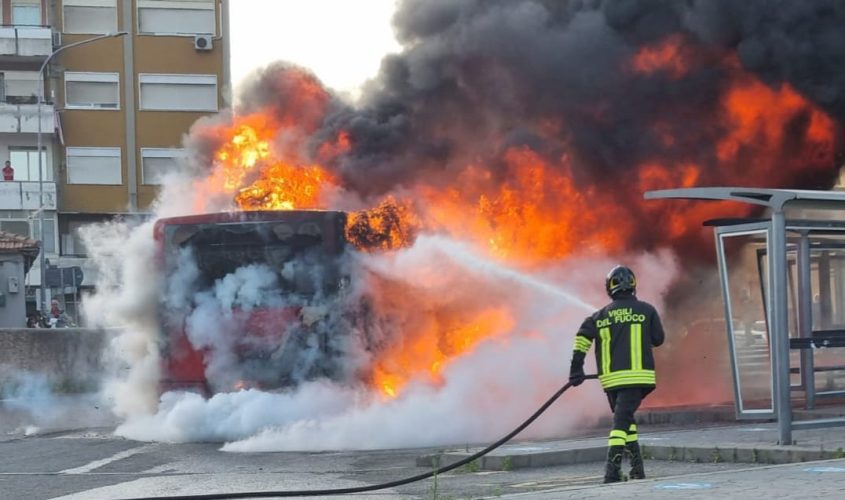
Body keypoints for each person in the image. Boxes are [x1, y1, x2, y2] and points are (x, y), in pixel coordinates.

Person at [569, 265, 665, 483]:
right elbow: (659, 339)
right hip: (640, 379)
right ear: (632, 285)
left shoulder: (598, 317)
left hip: (612, 381)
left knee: (622, 420)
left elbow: (581, 339)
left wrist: (576, 369)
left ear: (610, 288)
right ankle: (625, 470)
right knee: (624, 421)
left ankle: (624, 470)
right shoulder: (647, 310)